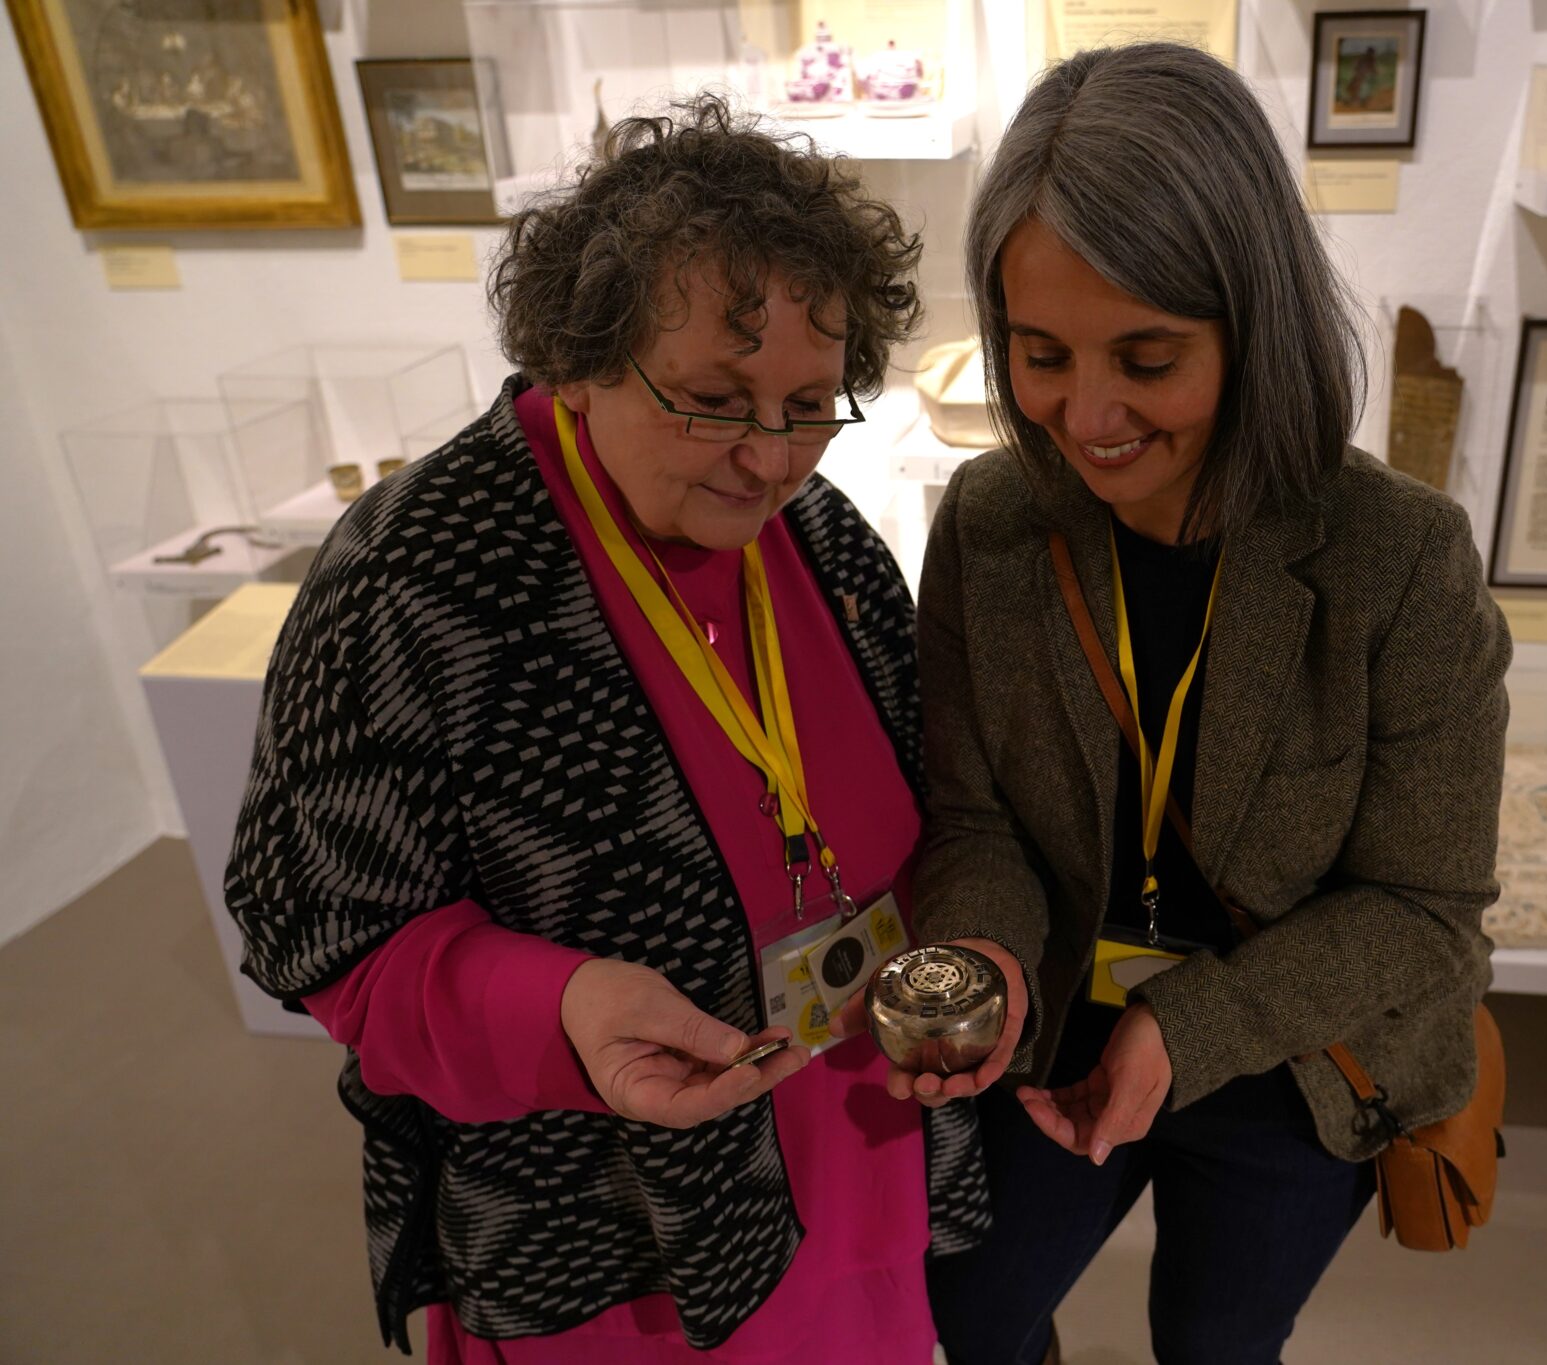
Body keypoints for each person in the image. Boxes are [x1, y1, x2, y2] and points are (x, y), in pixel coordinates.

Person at [224, 95, 988, 1363]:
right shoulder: (418, 575)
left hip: (855, 1139)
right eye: (710, 397)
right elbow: (314, 921)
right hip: (619, 1209)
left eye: (810, 402)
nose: (767, 456)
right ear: (578, 356)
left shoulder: (824, 539)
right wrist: (560, 1005)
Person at [894, 44, 1512, 1364]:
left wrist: (1194, 1025)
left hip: (1295, 1047)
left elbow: (1422, 906)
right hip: (1060, 1016)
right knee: (973, 1307)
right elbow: (971, 813)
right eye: (1042, 355)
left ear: (1257, 323)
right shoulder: (996, 523)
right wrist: (990, 956)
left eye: (1148, 357)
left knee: (1218, 1339)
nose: (1089, 415)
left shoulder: (1395, 556)